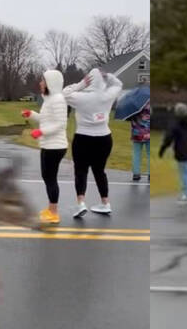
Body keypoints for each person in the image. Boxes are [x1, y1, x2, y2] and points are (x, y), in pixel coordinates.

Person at [62, 68, 123, 218]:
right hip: (104, 138)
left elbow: (64, 93)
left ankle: (81, 203)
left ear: (89, 80)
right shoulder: (108, 96)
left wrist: (81, 84)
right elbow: (118, 84)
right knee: (99, 171)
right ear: (101, 82)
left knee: (81, 171)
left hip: (83, 137)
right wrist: (107, 75)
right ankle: (105, 202)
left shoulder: (81, 97)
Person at [23, 70, 68, 225]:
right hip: (49, 144)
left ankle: (54, 213)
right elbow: (45, 119)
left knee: (50, 178)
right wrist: (31, 114)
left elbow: (61, 124)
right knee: (47, 177)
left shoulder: (58, 100)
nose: (40, 83)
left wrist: (41, 131)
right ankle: (51, 209)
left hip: (56, 146)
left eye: (43, 80)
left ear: (51, 82)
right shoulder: (50, 100)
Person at [159, 103, 187, 205]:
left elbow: (168, 139)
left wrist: (162, 149)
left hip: (181, 152)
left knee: (185, 174)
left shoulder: (175, 125)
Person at [130, 104, 151, 182]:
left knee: (136, 154)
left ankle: (136, 174)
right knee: (150, 154)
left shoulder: (134, 106)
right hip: (148, 133)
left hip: (136, 133)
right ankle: (150, 174)